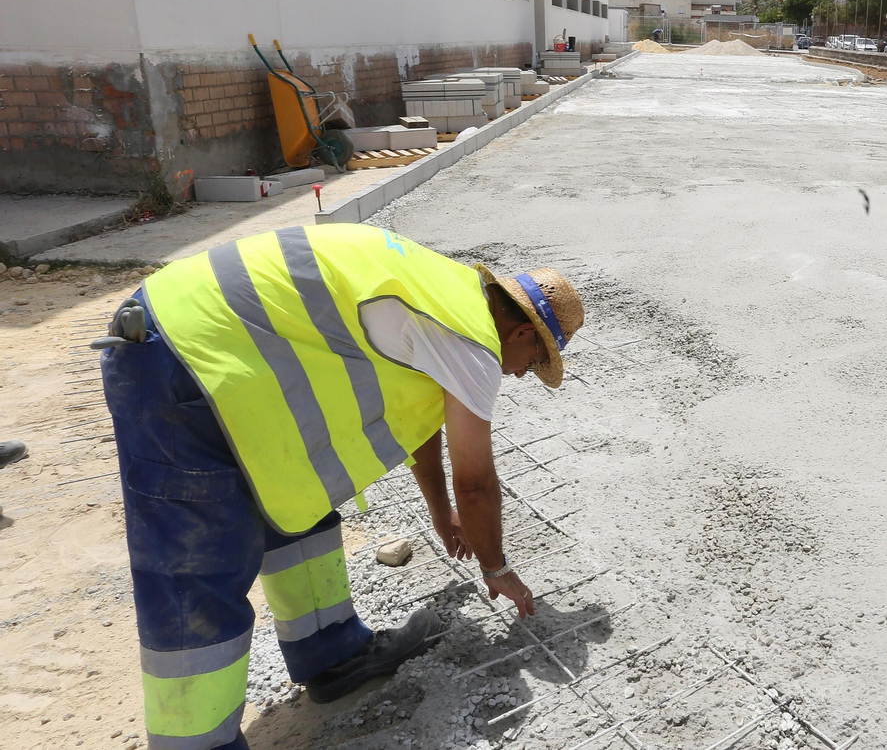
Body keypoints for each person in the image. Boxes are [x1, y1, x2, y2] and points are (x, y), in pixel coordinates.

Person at [97, 224, 583, 750]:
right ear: (521, 334)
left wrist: (440, 515)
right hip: (178, 355)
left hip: (211, 345)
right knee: (198, 567)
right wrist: (497, 567)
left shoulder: (450, 295)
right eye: (532, 365)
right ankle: (195, 744)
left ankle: (331, 652)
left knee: (298, 492)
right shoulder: (472, 343)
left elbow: (424, 429)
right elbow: (477, 484)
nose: (518, 376)